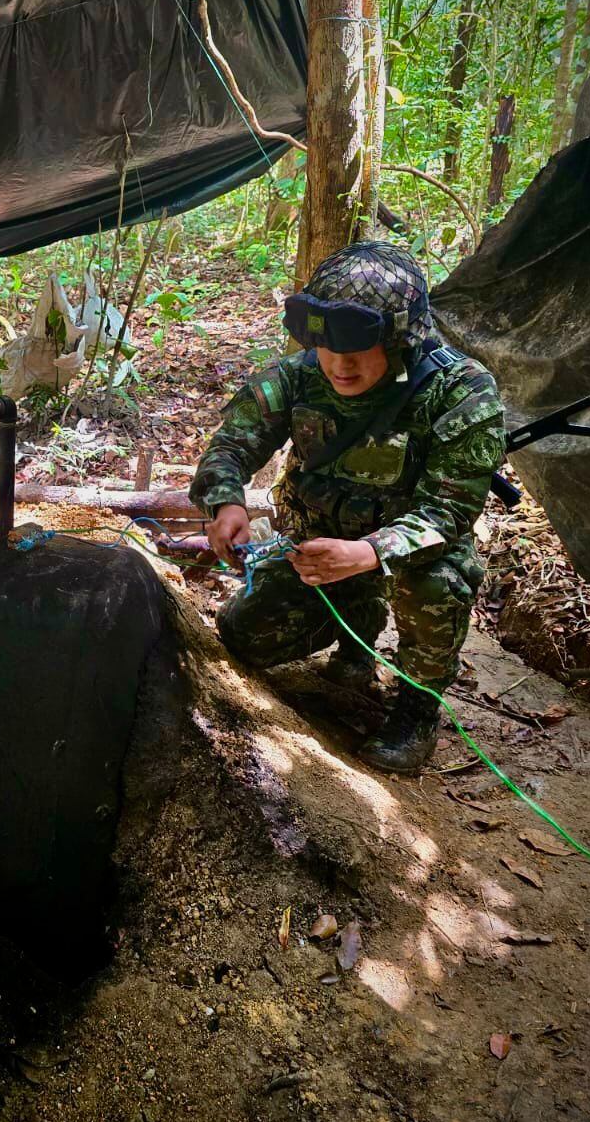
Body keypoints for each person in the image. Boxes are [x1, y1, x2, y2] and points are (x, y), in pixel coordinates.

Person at [189, 241, 506, 773]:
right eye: (328, 345)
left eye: (358, 346)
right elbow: (231, 446)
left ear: (401, 338)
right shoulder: (298, 375)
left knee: (436, 587)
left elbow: (447, 514)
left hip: (408, 555)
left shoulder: (460, 392)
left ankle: (417, 708)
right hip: (314, 551)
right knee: (245, 637)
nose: (340, 364)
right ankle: (357, 623)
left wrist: (367, 553)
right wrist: (226, 503)